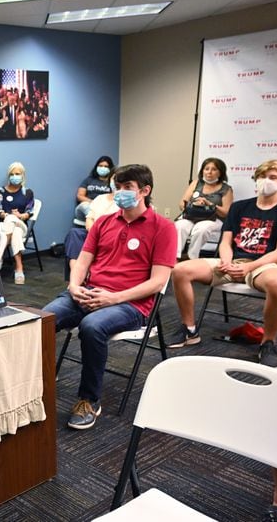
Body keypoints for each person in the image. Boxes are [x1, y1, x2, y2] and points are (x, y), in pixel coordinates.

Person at [43, 164, 176, 430]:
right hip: (90, 292)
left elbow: (158, 281)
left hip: (131, 304)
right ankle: (34, 384)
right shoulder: (104, 221)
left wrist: (114, 298)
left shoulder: (164, 228)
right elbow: (82, 262)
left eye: (128, 188)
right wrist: (74, 286)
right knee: (43, 319)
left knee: (91, 327)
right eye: (118, 187)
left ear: (145, 191)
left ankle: (89, 400)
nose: (120, 193)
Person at [169, 159, 277, 369]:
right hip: (232, 261)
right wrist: (227, 261)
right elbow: (225, 242)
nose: (265, 181)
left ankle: (268, 342)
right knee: (180, 270)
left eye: (273, 177)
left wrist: (248, 267)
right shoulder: (240, 207)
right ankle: (189, 329)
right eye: (262, 176)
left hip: (263, 265)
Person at [175, 157, 233, 259]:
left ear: (220, 173)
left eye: (214, 169)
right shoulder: (196, 183)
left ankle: (192, 257)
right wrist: (194, 203)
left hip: (214, 219)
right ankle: (175, 257)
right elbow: (181, 204)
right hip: (192, 216)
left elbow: (226, 212)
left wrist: (210, 204)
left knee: (202, 229)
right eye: (206, 169)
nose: (209, 172)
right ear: (202, 171)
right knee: (180, 226)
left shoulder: (226, 189)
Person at [63, 175, 118, 280]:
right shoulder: (100, 198)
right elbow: (89, 217)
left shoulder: (123, 202)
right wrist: (93, 231)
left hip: (112, 235)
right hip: (94, 232)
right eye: (113, 178)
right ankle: (76, 276)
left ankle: (77, 279)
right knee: (74, 234)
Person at [0, 161, 34, 284]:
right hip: (3, 225)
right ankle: (19, 268)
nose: (15, 176)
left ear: (23, 175)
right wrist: (5, 215)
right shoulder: (1, 191)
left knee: (13, 222)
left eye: (18, 173)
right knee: (13, 229)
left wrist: (20, 216)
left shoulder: (27, 192)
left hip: (21, 225)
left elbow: (29, 211)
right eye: (12, 174)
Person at [74, 156, 115, 222]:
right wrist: (94, 203)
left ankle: (98, 224)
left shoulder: (112, 183)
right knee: (85, 205)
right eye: (100, 166)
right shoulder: (89, 180)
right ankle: (98, 222)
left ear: (110, 168)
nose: (103, 168)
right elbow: (80, 196)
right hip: (87, 207)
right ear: (96, 167)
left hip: (104, 208)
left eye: (106, 166)